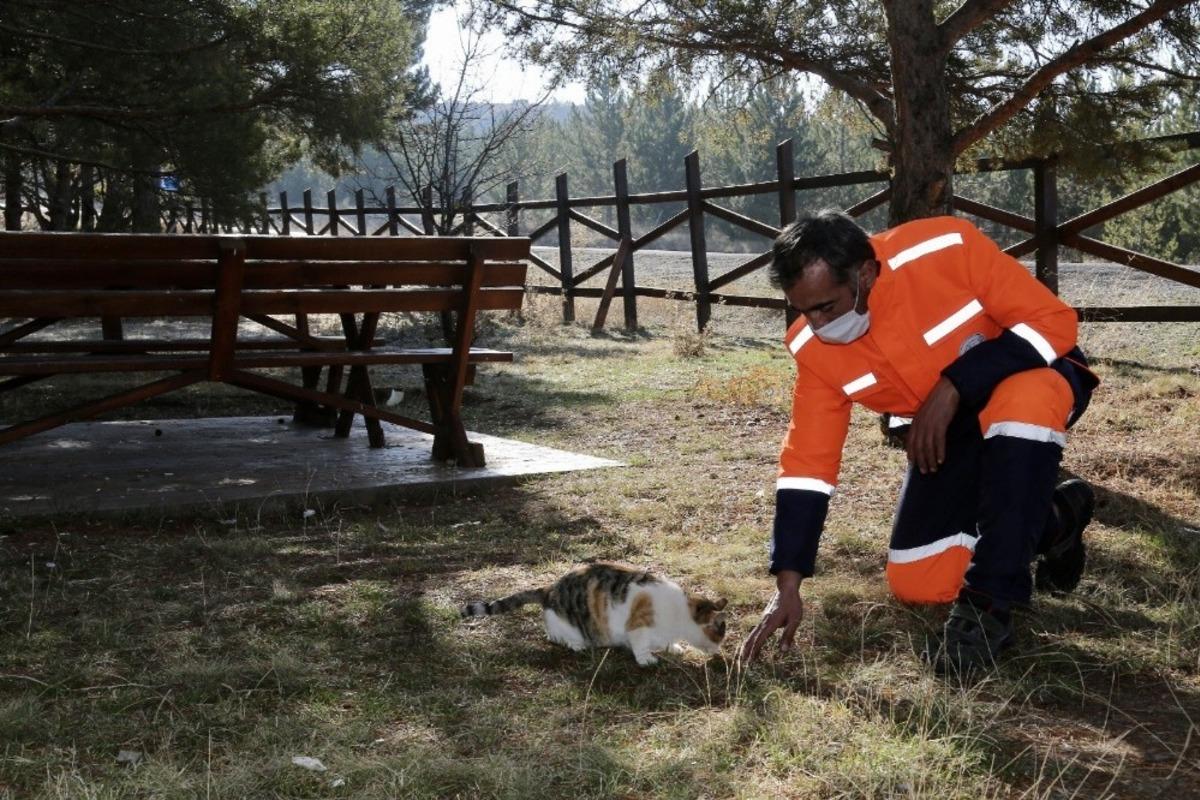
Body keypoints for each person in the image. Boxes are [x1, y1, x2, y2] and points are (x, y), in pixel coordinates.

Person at [739, 210, 1099, 674]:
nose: (816, 324)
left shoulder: (946, 246)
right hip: (950, 433)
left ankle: (989, 605)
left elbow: (1053, 322)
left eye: (825, 307)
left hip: (1033, 376)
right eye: (802, 310)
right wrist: (788, 582)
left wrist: (955, 384)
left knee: (1025, 399)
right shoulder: (813, 351)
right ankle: (1057, 520)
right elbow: (808, 464)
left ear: (865, 274)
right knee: (919, 581)